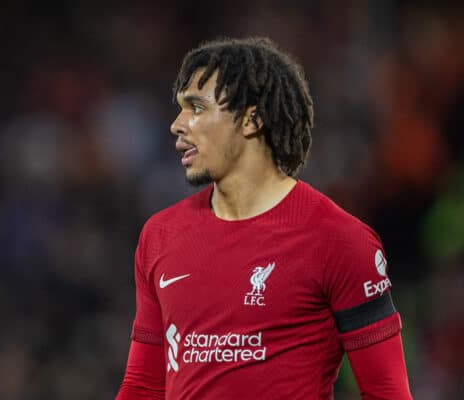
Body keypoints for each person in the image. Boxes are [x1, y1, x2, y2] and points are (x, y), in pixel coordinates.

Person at [116, 37, 412, 400]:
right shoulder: (160, 235)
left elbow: (386, 393)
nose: (178, 124)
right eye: (180, 108)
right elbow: (143, 388)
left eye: (196, 107)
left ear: (251, 119)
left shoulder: (339, 240)